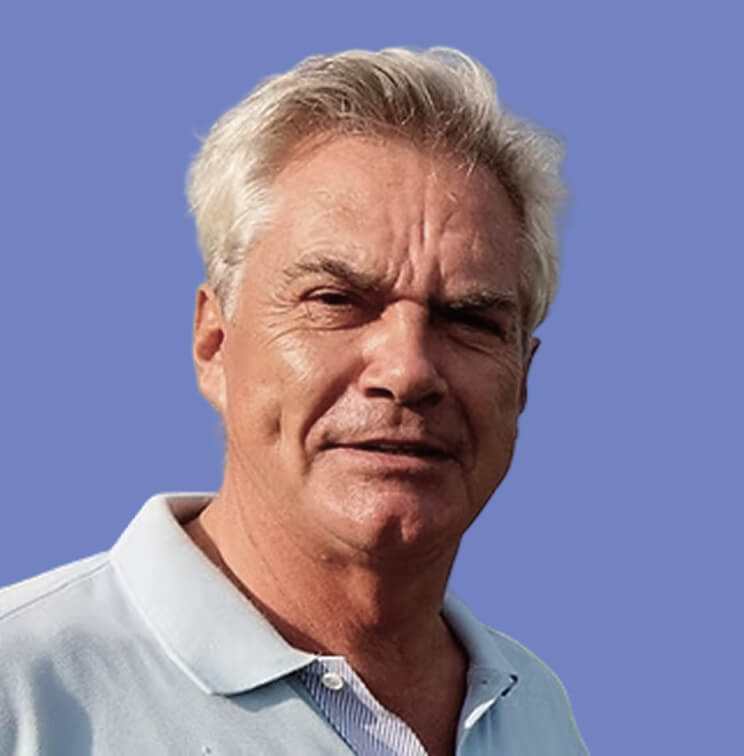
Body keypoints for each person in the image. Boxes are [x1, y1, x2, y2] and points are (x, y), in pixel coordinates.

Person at [0, 47, 587, 755]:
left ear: (522, 380)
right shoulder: (24, 690)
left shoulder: (533, 712)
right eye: (336, 300)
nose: (407, 370)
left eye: (469, 320)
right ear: (215, 342)